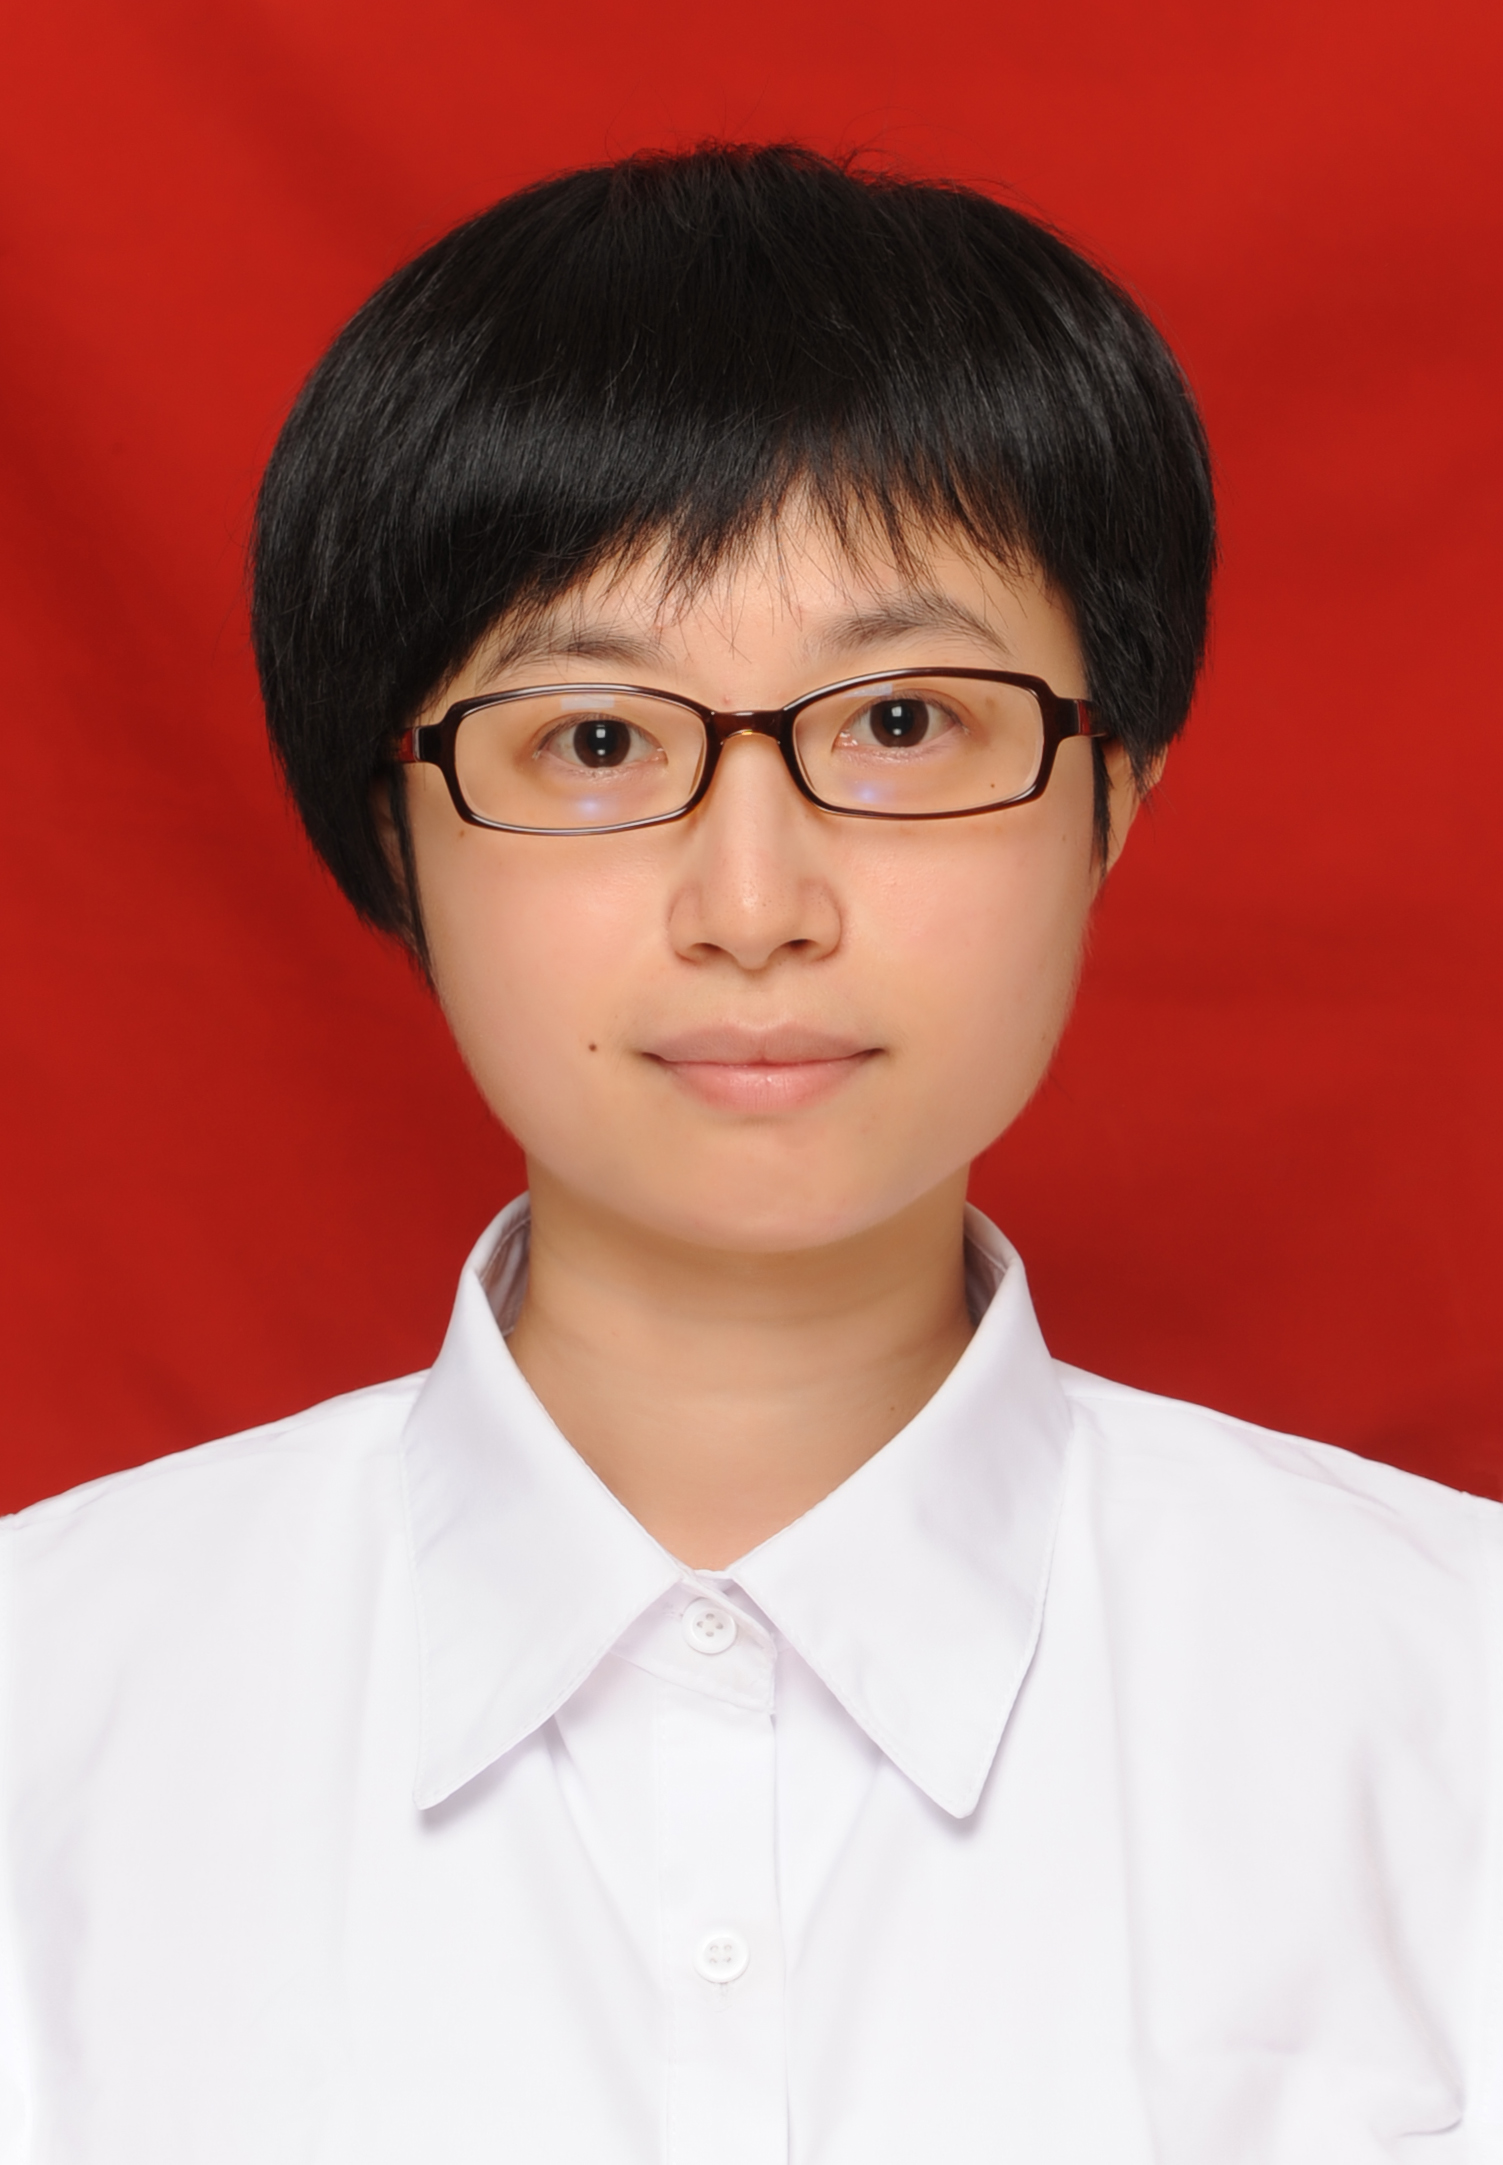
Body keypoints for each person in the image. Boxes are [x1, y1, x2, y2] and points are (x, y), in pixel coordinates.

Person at [1, 142, 1497, 2165]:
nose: (755, 903)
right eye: (596, 741)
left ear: (1110, 795)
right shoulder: (47, 1716)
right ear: (394, 831)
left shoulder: (1450, 1702)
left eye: (900, 724)